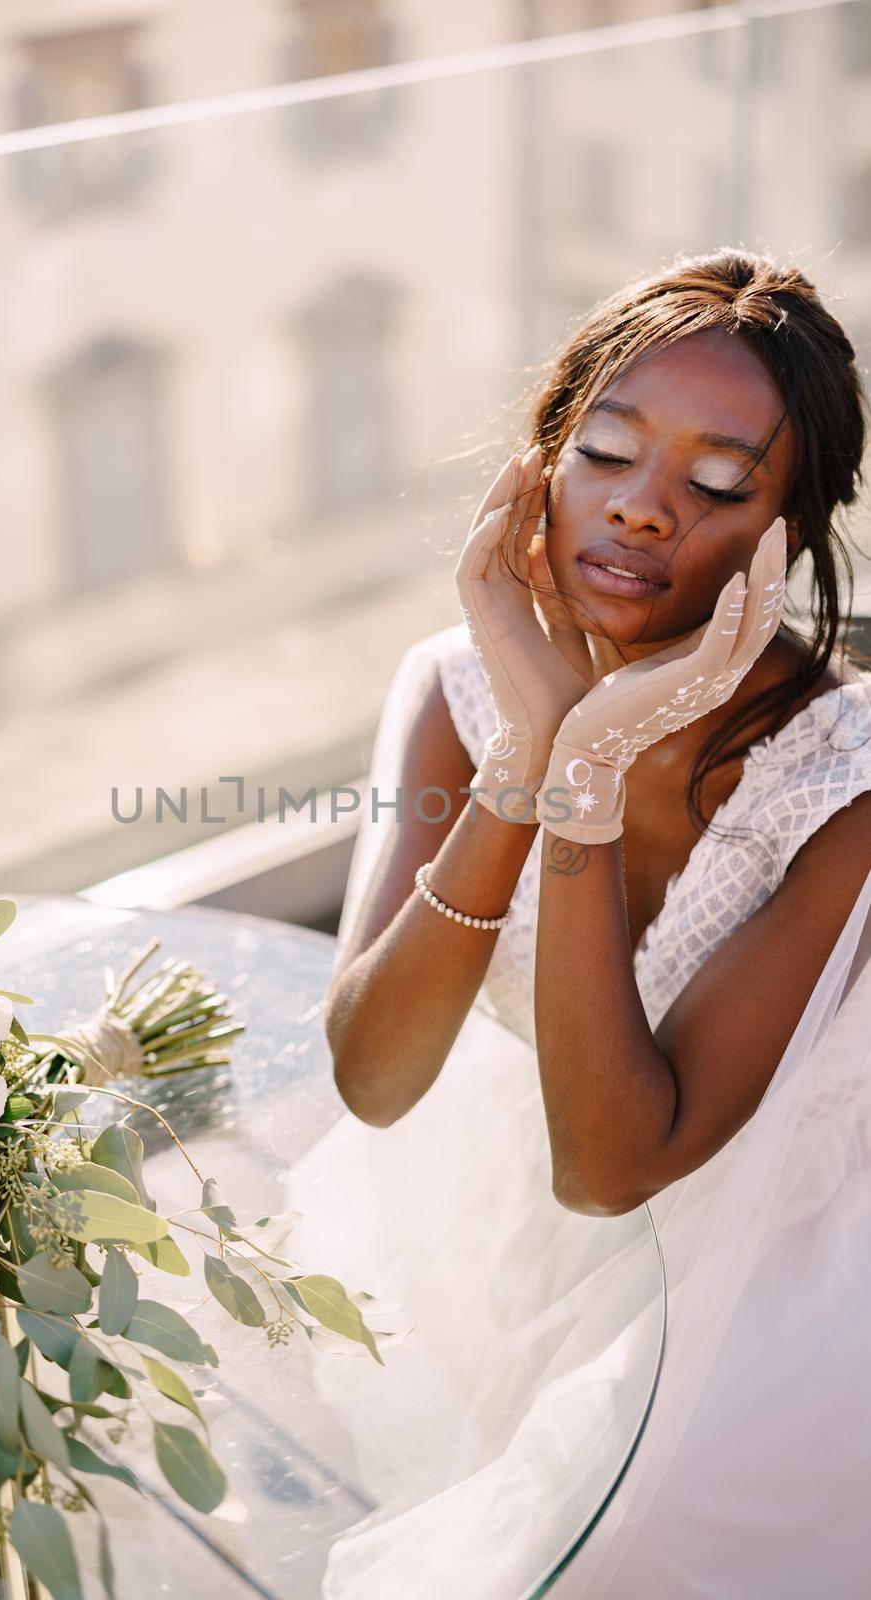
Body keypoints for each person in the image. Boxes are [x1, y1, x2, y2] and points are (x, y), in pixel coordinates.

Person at [290, 249, 871, 1597]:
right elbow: (377, 1078)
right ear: (537, 469)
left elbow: (616, 1166)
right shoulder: (460, 684)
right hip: (520, 1211)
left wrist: (590, 783)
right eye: (606, 452)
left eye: (720, 483)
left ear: (788, 536)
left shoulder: (849, 789)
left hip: (785, 1258)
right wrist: (534, 749)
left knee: (613, 1536)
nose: (646, 509)